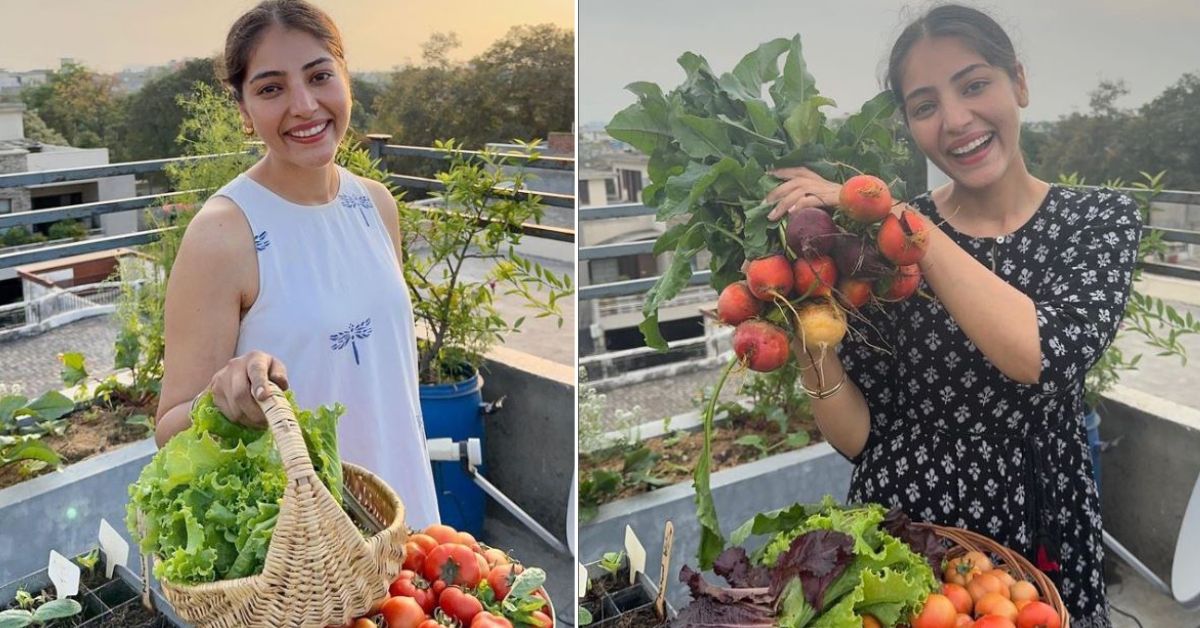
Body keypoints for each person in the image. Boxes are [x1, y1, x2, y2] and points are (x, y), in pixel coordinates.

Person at [765, 5, 1139, 626]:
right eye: (925, 105)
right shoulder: (880, 238)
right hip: (907, 532)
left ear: (1017, 81)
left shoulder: (1098, 221)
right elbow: (860, 437)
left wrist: (912, 232)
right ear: (910, 126)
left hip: (1039, 528)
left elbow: (1041, 354)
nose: (956, 120)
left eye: (974, 85)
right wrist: (806, 324)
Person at [153, 0, 440, 530]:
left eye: (319, 75)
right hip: (304, 554)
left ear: (346, 79)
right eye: (270, 88)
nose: (305, 105)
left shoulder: (376, 205)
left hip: (408, 515)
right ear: (242, 110)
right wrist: (225, 399)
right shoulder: (222, 232)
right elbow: (170, 425)